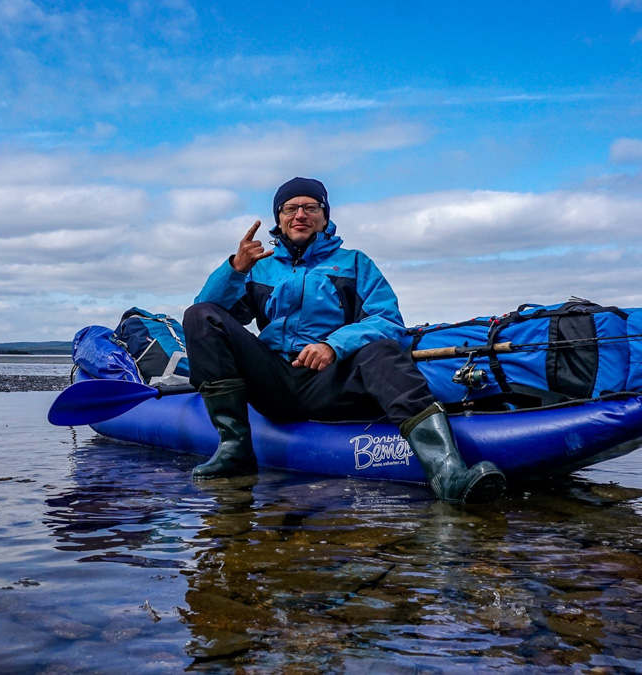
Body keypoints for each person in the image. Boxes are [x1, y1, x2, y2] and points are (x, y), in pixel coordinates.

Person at [183, 177, 505, 503]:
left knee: (381, 350)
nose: (300, 215)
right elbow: (209, 316)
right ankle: (235, 450)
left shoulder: (355, 263)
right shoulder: (257, 268)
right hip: (275, 382)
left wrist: (333, 346)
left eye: (310, 207)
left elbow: (387, 320)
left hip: (330, 382)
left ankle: (447, 474)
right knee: (200, 315)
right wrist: (235, 270)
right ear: (278, 218)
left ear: (324, 216)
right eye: (291, 208)